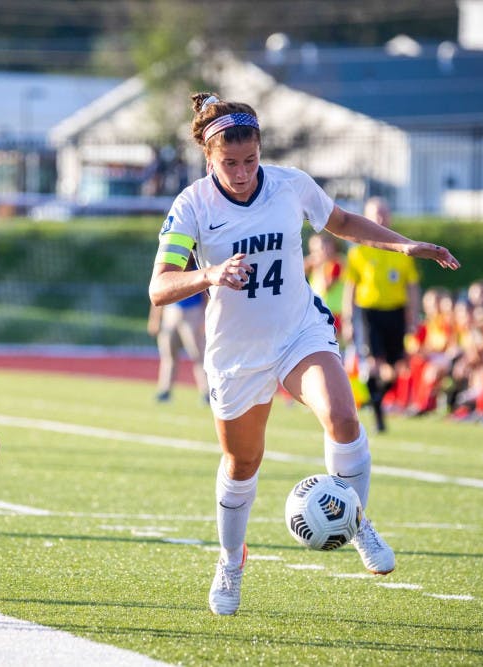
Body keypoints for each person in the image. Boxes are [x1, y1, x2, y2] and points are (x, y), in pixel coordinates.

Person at [148, 92, 460, 616]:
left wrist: (402, 244)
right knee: (243, 461)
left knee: (342, 416)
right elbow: (159, 287)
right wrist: (209, 273)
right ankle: (230, 561)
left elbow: (340, 222)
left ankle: (357, 522)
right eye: (230, 164)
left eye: (251, 161)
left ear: (261, 151)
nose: (243, 173)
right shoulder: (192, 205)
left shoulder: (290, 185)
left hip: (298, 332)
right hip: (236, 353)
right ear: (208, 158)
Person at [340, 196, 422, 433]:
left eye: (384, 213)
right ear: (366, 217)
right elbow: (350, 288)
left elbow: (412, 286)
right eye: (375, 214)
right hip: (369, 313)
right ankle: (377, 415)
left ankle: (375, 400)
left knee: (395, 369)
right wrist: (348, 319)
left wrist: (412, 315)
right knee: (375, 364)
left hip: (395, 312)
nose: (380, 218)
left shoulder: (402, 248)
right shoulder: (359, 252)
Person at [147, 290, 208, 404]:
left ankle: (207, 392)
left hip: (193, 311)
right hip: (170, 311)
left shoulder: (195, 270)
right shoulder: (171, 270)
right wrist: (155, 318)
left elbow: (206, 293)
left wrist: (204, 318)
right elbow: (160, 291)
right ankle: (165, 390)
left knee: (198, 355)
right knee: (168, 355)